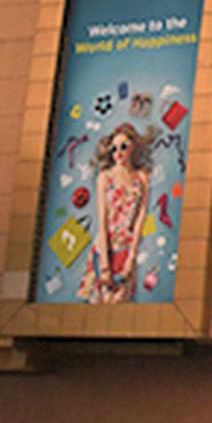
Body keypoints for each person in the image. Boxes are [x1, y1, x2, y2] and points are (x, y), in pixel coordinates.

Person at [78, 122, 152, 303]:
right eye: (114, 148)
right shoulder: (105, 177)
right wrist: (104, 265)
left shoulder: (141, 177)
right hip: (105, 247)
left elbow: (140, 219)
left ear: (133, 147)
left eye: (123, 147)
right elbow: (102, 221)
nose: (118, 152)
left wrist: (132, 257)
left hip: (126, 248)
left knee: (120, 304)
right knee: (100, 305)